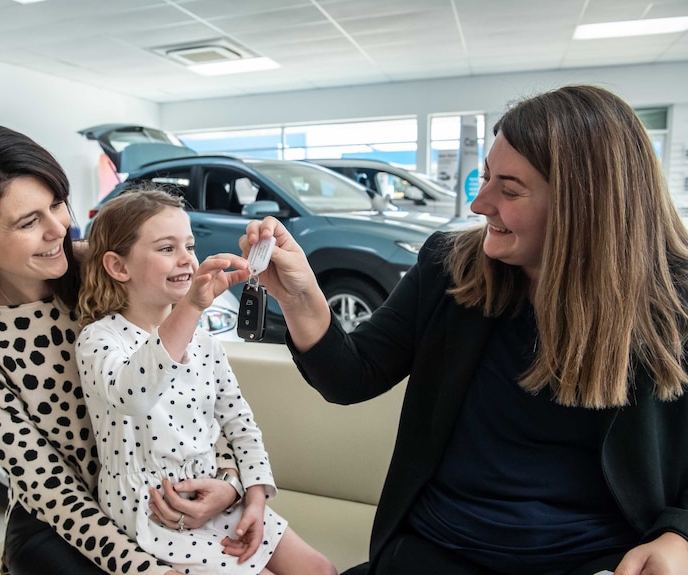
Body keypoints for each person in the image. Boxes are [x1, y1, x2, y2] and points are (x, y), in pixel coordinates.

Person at [240, 85, 688, 575]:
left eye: (509, 189)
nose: (479, 203)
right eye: (487, 177)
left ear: (587, 205)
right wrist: (300, 296)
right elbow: (352, 376)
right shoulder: (450, 267)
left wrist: (679, 534)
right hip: (432, 553)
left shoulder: (676, 303)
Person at [0, 123, 244, 575]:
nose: (59, 229)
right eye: (29, 222)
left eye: (56, 204)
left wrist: (230, 483)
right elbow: (46, 486)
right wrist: (141, 568)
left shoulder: (106, 269)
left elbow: (205, 391)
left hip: (160, 496)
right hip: (65, 525)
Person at [73, 187, 337, 575]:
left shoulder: (204, 340)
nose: (187, 259)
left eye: (190, 245)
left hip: (217, 495)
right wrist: (192, 307)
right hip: (156, 513)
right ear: (118, 266)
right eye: (166, 248)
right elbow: (135, 395)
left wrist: (255, 496)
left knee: (321, 569)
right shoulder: (99, 339)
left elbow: (239, 421)